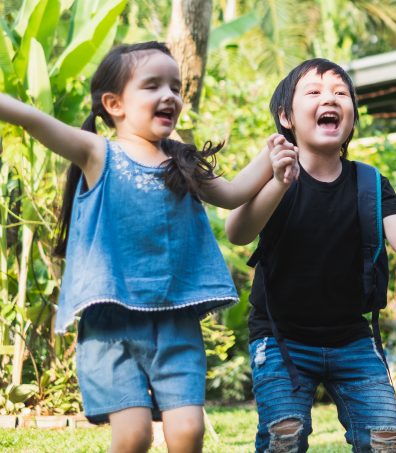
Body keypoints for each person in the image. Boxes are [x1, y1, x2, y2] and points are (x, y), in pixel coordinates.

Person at [0, 41, 278, 452]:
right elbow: (33, 119)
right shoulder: (98, 154)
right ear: (114, 104)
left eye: (175, 87)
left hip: (177, 322)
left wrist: (274, 155)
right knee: (133, 436)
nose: (170, 95)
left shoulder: (182, 163)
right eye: (152, 86)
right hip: (112, 326)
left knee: (188, 432)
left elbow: (235, 193)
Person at [225, 58, 396, 453]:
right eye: (313, 92)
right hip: (280, 339)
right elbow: (238, 232)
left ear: (351, 117)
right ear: (286, 116)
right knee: (284, 437)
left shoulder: (369, 181)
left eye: (340, 93)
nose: (329, 98)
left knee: (385, 442)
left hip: (352, 339)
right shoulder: (275, 172)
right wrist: (278, 182)